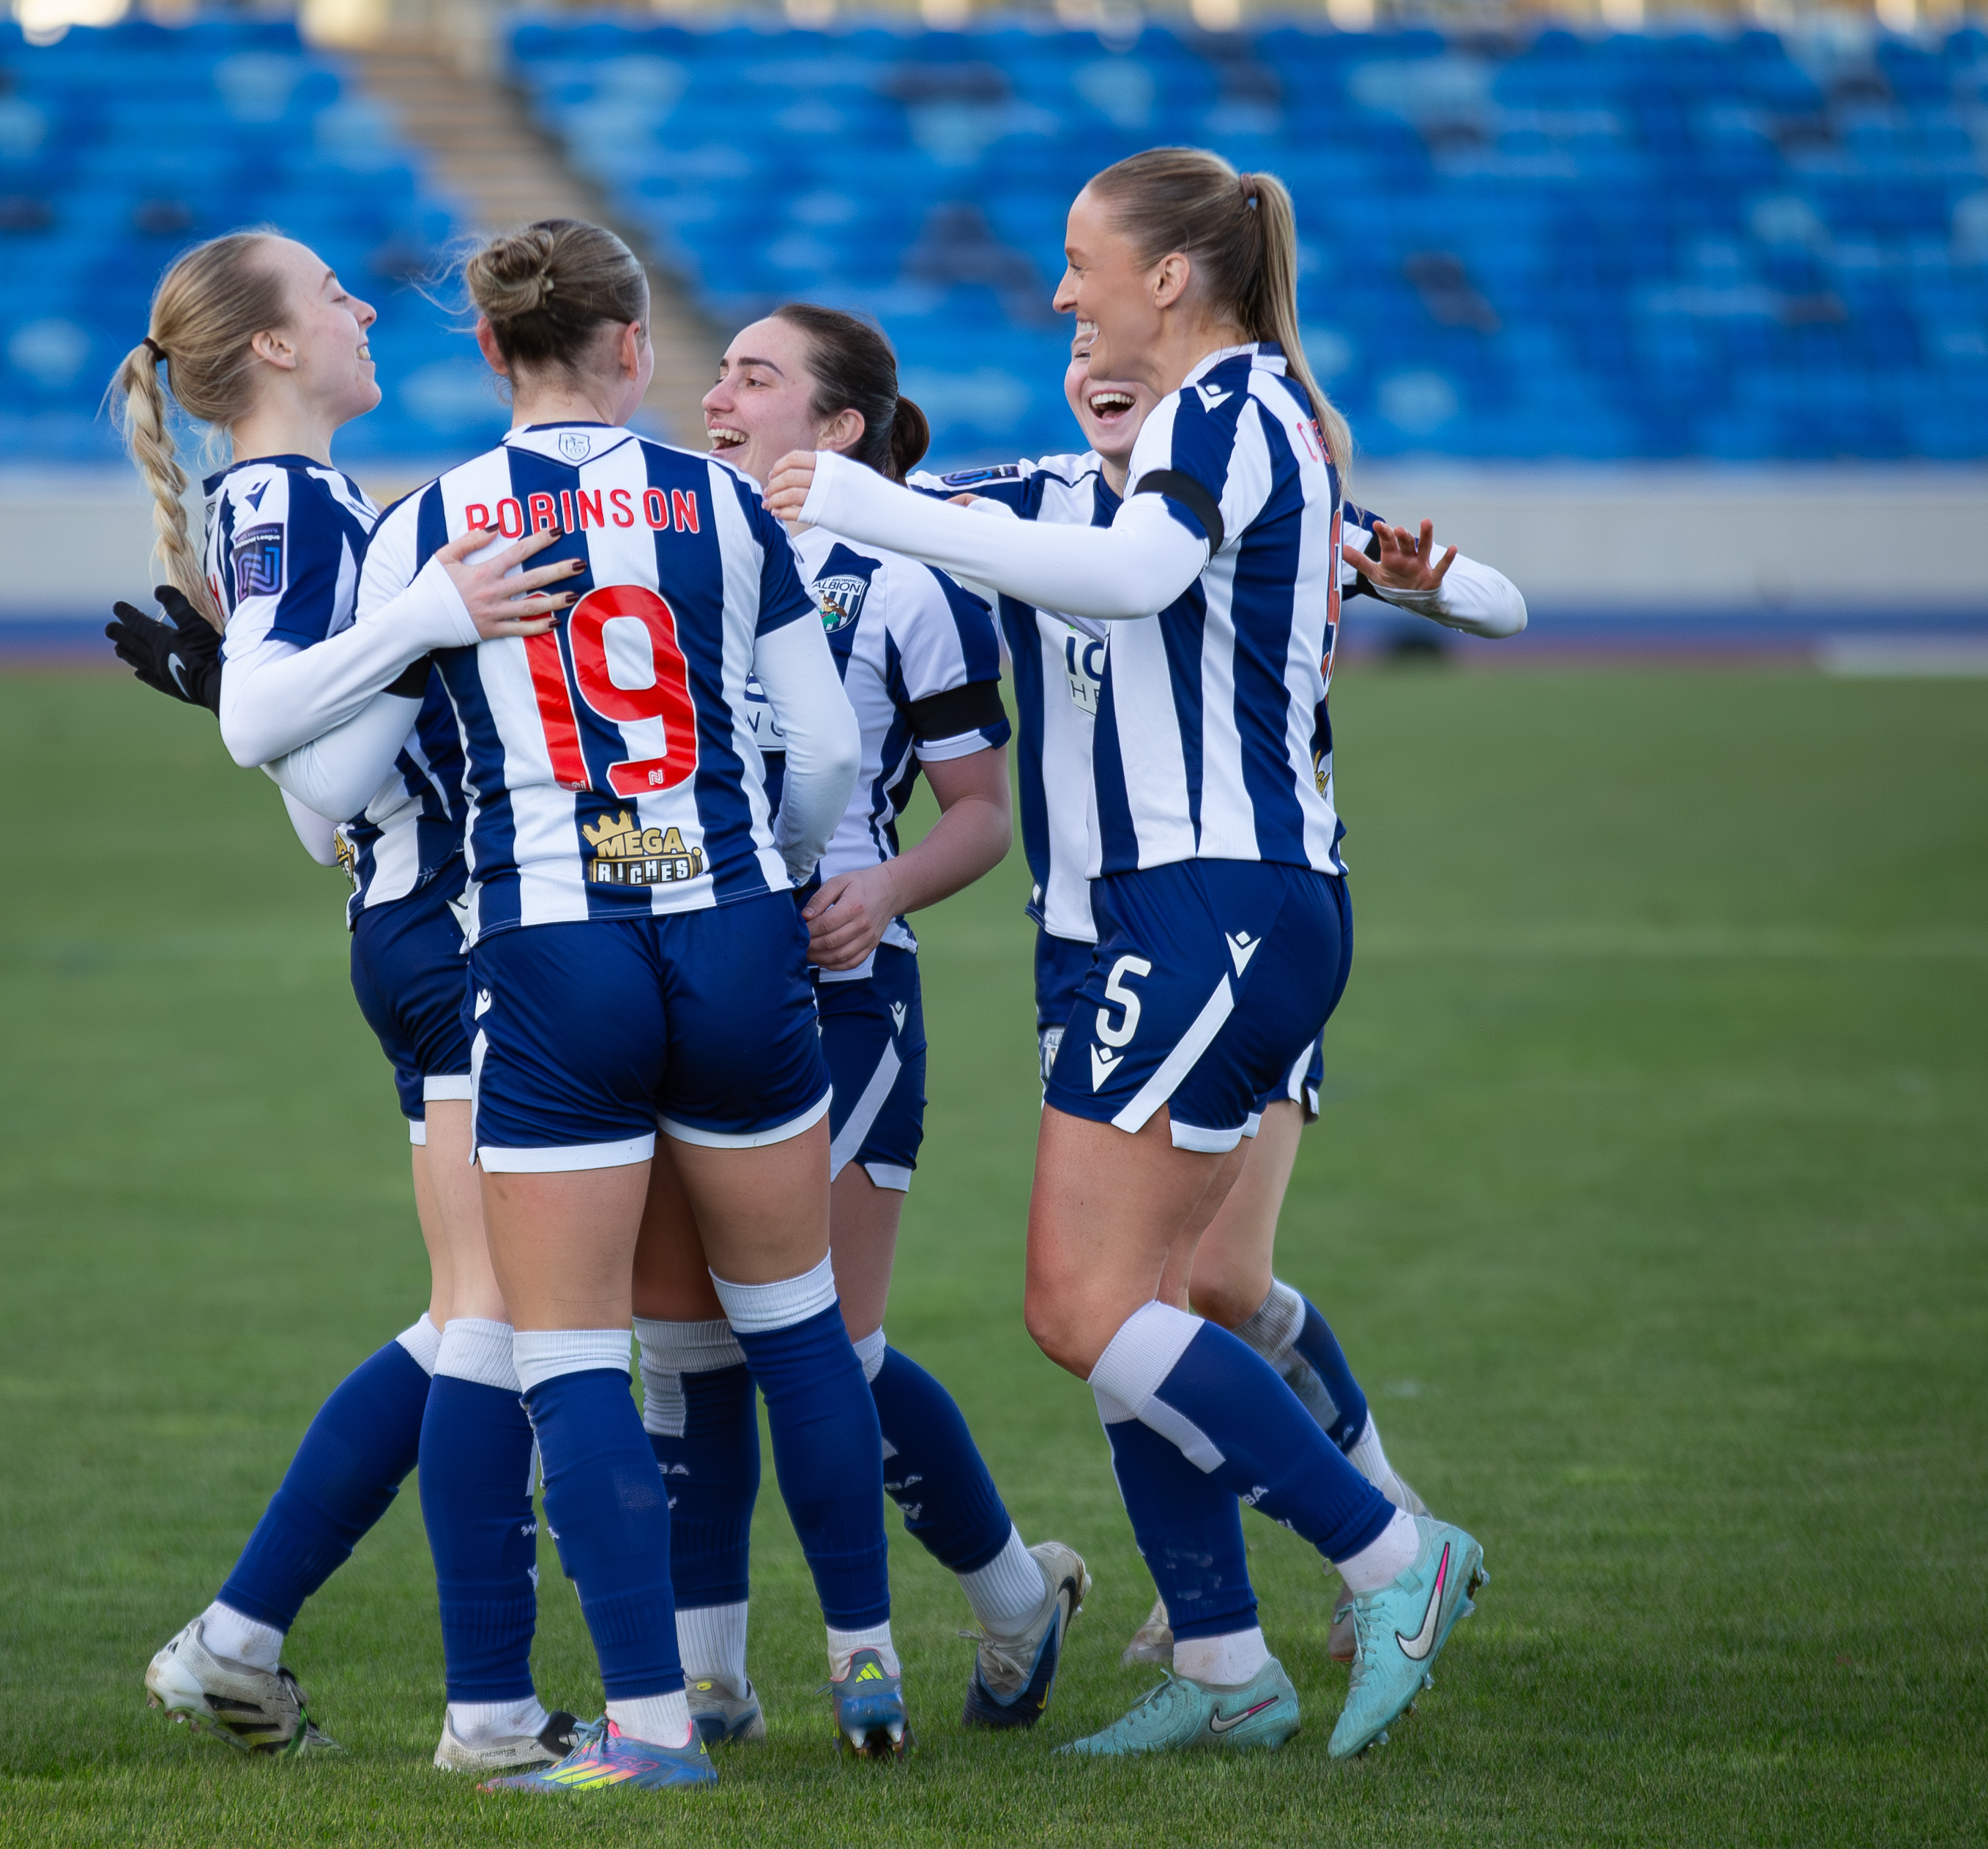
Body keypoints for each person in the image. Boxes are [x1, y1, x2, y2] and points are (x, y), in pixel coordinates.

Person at [770, 151, 1486, 1760]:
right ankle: (1225, 1663)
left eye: (1082, 260)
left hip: (1207, 900)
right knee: (1143, 1297)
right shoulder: (1162, 438)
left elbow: (1141, 574)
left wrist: (867, 495)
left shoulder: (1233, 409)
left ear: (1171, 278)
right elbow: (1014, 541)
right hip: (1141, 921)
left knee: (1085, 1302)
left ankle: (1393, 1552)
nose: (1059, 294)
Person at [351, 218, 894, 1794]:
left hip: (551, 951)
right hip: (731, 932)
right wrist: (773, 870)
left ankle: (651, 1731)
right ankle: (864, 1658)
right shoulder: (725, 500)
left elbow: (333, 784)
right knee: (797, 1324)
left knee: (571, 1357)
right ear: (632, 346)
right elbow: (833, 755)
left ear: (489, 354)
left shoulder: (432, 523)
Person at [929, 327, 1525, 1671]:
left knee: (1192, 1283)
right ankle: (1227, 1623)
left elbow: (1501, 601)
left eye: (1124, 354)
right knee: (1178, 1286)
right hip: (1109, 937)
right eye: (1076, 350)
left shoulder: (1260, 472)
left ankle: (1373, 1532)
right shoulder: (1032, 501)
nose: (1096, 366)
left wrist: (1424, 584)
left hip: (1228, 924)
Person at [100, 228, 595, 1774]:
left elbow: (313, 797)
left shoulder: (284, 505)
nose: (365, 306)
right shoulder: (298, 499)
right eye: (330, 294)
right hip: (456, 934)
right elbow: (301, 754)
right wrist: (433, 622)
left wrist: (354, 656)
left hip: (404, 930)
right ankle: (493, 1720)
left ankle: (242, 1642)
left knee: (474, 1317)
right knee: (504, 1325)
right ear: (270, 351)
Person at [627, 302, 1091, 1747]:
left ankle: (1009, 1601)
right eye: (716, 373)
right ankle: (710, 1681)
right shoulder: (671, 540)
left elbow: (979, 820)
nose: (718, 395)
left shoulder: (907, 575)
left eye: (754, 377)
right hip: (686, 968)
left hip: (839, 988)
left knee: (824, 1340)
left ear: (837, 430)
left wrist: (875, 886)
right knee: (685, 1340)